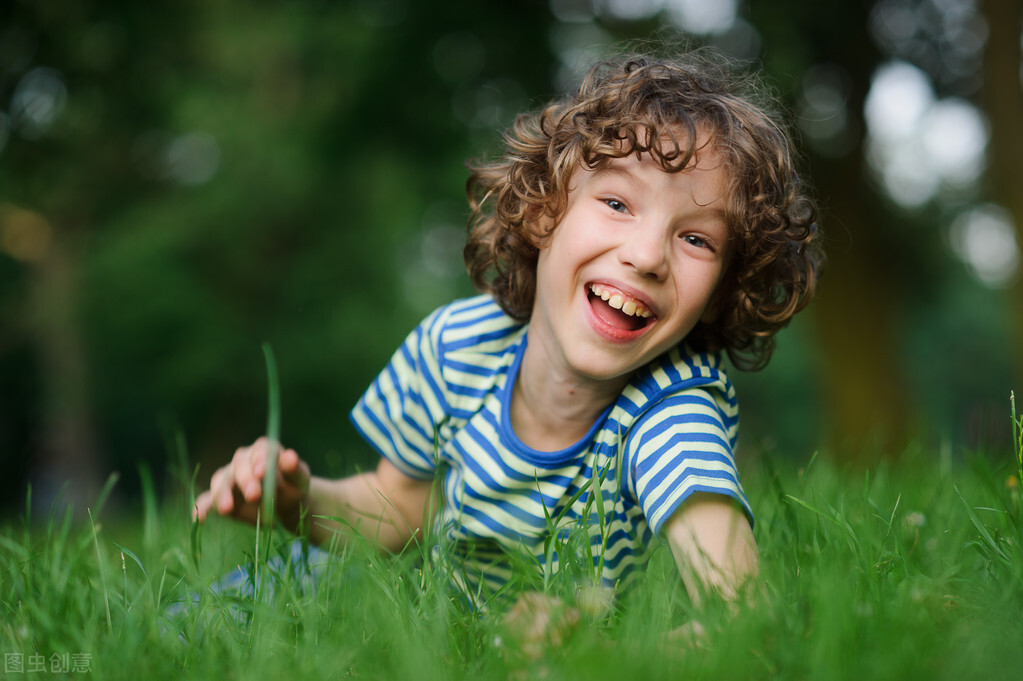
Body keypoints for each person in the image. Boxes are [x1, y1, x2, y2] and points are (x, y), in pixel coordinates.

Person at [193, 47, 821, 614]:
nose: (648, 255)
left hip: (538, 636)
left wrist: (592, 638)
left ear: (719, 295)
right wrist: (298, 501)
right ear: (546, 210)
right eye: (617, 203)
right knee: (231, 611)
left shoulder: (669, 410)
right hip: (393, 597)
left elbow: (742, 606)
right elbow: (399, 508)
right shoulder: (456, 344)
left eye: (695, 239)